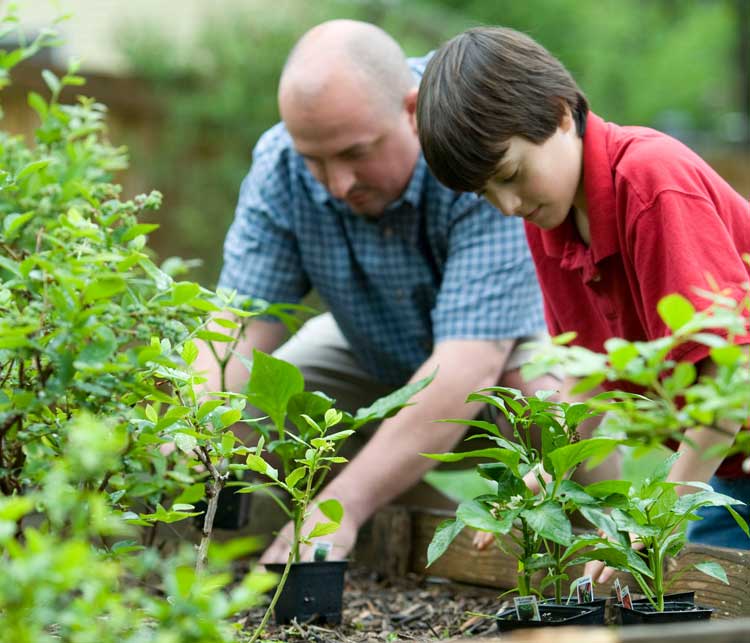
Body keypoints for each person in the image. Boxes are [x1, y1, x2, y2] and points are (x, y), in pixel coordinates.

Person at [198, 19, 565, 565]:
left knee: (549, 408)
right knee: (264, 402)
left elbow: (467, 371)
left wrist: (339, 507)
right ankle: (407, 539)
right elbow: (237, 327)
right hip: (369, 345)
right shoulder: (280, 164)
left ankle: (584, 551)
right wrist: (195, 424)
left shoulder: (470, 143)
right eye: (314, 160)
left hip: (503, 349)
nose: (337, 182)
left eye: (355, 153)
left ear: (412, 111)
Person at [415, 25, 750, 565]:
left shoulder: (650, 183)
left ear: (560, 113)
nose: (507, 205)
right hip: (731, 466)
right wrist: (536, 482)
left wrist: (655, 520)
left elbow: (731, 375)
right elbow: (588, 371)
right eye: (485, 193)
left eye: (510, 174)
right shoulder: (551, 220)